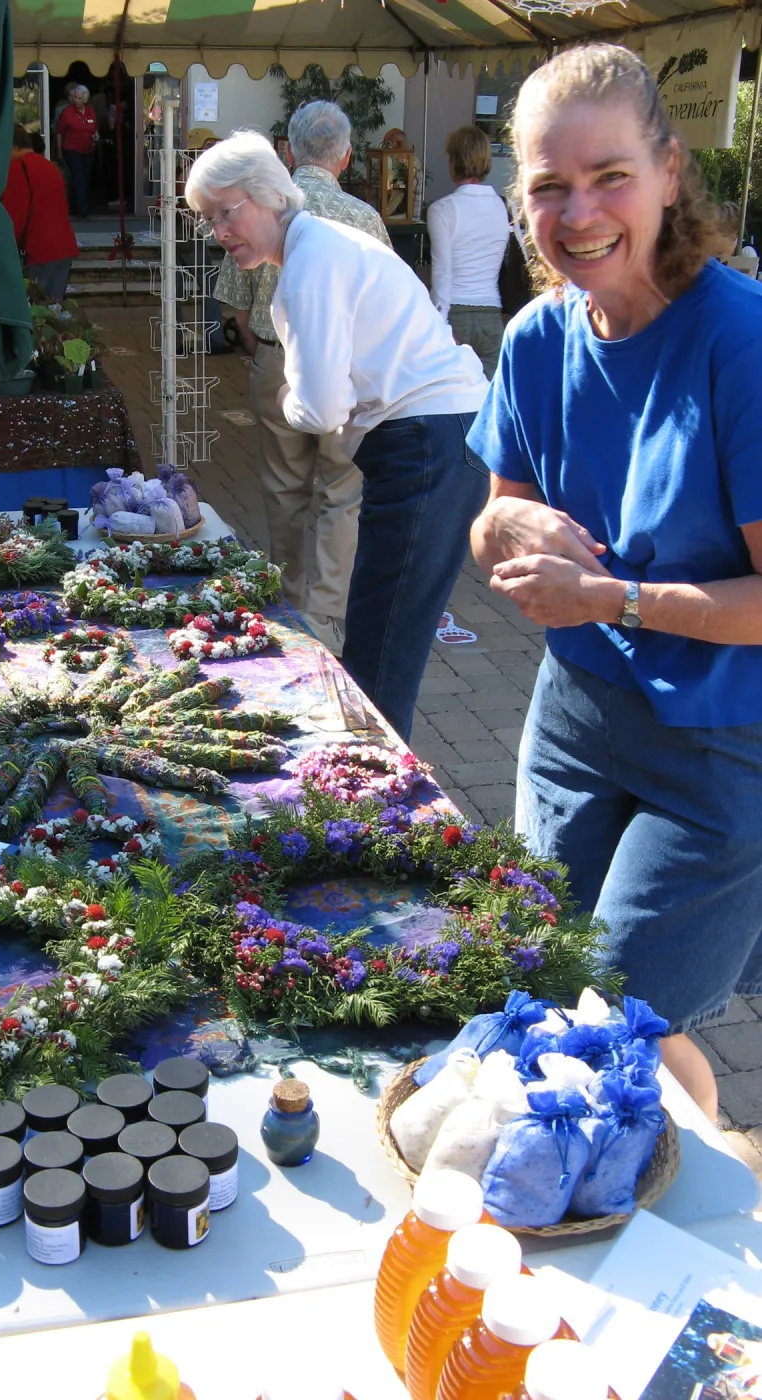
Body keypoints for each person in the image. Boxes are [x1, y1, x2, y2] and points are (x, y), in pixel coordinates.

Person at [467, 43, 762, 1122]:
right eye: (549, 186)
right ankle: (678, 1171)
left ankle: (711, 1194)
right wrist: (503, 526)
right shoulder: (537, 338)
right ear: (521, 200)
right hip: (575, 718)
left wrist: (616, 600)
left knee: (622, 1015)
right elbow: (491, 519)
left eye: (610, 176)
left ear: (671, 172)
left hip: (717, 741)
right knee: (551, 981)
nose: (578, 211)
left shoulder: (741, 340)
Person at [186, 132, 488, 743]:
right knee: (382, 638)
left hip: (429, 442)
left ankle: (365, 800)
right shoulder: (314, 247)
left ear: (271, 194)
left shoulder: (308, 263)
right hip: (434, 437)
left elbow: (321, 410)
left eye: (228, 210)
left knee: (381, 654)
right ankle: (362, 786)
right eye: (208, 218)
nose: (219, 230)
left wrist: (291, 398)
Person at [216, 102, 392, 657]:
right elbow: (384, 307)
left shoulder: (259, 210)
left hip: (275, 360)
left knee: (282, 487)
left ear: (289, 152)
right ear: (345, 155)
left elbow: (236, 311)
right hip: (348, 367)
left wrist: (262, 352)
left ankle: (285, 604)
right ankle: (327, 615)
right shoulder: (364, 216)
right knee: (343, 491)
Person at [426, 126, 509, 378]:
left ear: (454, 162)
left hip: (456, 315)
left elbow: (442, 271)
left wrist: (438, 325)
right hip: (492, 315)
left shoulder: (442, 210)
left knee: (451, 400)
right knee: (489, 402)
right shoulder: (502, 208)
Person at [2, 123, 78, 303]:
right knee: (53, 312)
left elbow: (14, 217)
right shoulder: (49, 166)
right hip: (63, 248)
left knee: (37, 314)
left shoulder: (17, 168)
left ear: (12, 146)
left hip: (39, 251)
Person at [56, 85, 98, 218]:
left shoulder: (90, 111)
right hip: (71, 149)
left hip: (88, 149)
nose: (76, 100)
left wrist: (96, 135)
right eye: (74, 97)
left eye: (79, 98)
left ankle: (74, 205)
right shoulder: (67, 112)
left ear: (85, 99)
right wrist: (59, 150)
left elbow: (94, 128)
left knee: (83, 178)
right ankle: (82, 209)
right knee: (78, 176)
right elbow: (59, 132)